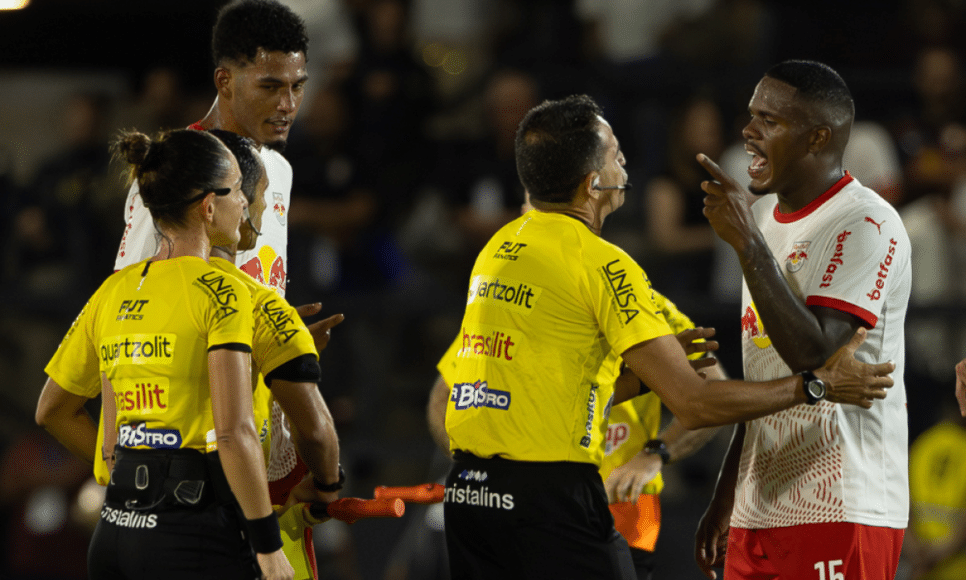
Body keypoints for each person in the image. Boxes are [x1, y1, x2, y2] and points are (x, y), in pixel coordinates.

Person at [441, 94, 894, 579]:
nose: (625, 160)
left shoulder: (499, 248)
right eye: (615, 153)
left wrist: (644, 376)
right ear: (592, 183)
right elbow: (697, 404)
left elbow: (543, 394)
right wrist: (816, 384)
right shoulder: (604, 264)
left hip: (470, 494)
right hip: (551, 500)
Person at [37, 128, 291, 579]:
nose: (247, 205)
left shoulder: (111, 290)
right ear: (209, 206)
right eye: (237, 191)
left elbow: (51, 410)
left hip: (114, 532)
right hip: (189, 535)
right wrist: (269, 549)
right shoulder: (224, 289)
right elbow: (233, 433)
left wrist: (121, 472)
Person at [693, 60, 912, 580]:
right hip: (761, 503)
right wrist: (729, 490)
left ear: (817, 137)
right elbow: (767, 373)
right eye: (750, 115)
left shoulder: (866, 221)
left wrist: (747, 245)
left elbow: (815, 356)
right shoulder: (765, 221)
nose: (748, 131)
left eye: (769, 120)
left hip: (842, 502)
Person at [114, 0, 310, 297]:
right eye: (270, 87)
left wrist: (278, 335)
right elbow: (129, 296)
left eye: (296, 86)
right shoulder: (176, 165)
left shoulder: (280, 169)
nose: (288, 105)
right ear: (224, 80)